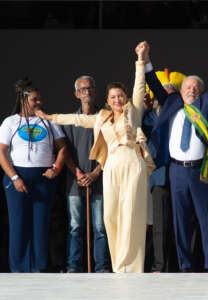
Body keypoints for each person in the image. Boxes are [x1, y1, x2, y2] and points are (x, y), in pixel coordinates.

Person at [35, 41, 155, 273]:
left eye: (120, 96)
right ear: (108, 100)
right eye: (113, 97)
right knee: (111, 216)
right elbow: (77, 119)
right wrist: (50, 117)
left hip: (133, 163)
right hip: (111, 167)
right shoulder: (101, 118)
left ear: (125, 98)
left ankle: (130, 266)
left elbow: (139, 86)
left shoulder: (134, 112)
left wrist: (141, 59)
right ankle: (119, 263)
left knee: (131, 213)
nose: (117, 100)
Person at [144, 44, 208, 272]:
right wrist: (145, 60)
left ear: (200, 93)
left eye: (195, 88)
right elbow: (154, 84)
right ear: (180, 92)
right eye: (187, 87)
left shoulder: (207, 105)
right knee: (180, 220)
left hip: (200, 171)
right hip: (177, 171)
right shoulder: (172, 103)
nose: (191, 90)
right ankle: (185, 265)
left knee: (206, 219)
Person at [0, 78, 67, 272]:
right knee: (18, 223)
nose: (39, 103)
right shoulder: (10, 122)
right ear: (23, 100)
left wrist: (56, 168)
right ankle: (19, 269)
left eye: (40, 100)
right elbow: (1, 152)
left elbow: (63, 149)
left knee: (40, 224)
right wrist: (14, 178)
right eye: (35, 100)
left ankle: (39, 268)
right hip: (17, 175)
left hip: (43, 178)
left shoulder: (48, 121)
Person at [62, 75, 110, 273]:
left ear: (95, 91)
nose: (87, 92)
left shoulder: (105, 118)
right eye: (82, 89)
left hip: (99, 180)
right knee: (75, 227)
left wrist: (96, 172)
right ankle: (73, 266)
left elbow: (110, 148)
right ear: (76, 94)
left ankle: (102, 267)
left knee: (100, 227)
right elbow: (64, 151)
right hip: (76, 182)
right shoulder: (70, 121)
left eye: (90, 88)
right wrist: (78, 173)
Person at [142, 69, 185, 272]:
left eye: (171, 94)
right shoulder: (149, 117)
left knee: (180, 223)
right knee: (159, 224)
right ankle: (159, 264)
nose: (166, 97)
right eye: (163, 93)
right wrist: (143, 109)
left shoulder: (180, 116)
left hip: (178, 174)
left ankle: (178, 264)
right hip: (158, 175)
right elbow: (136, 128)